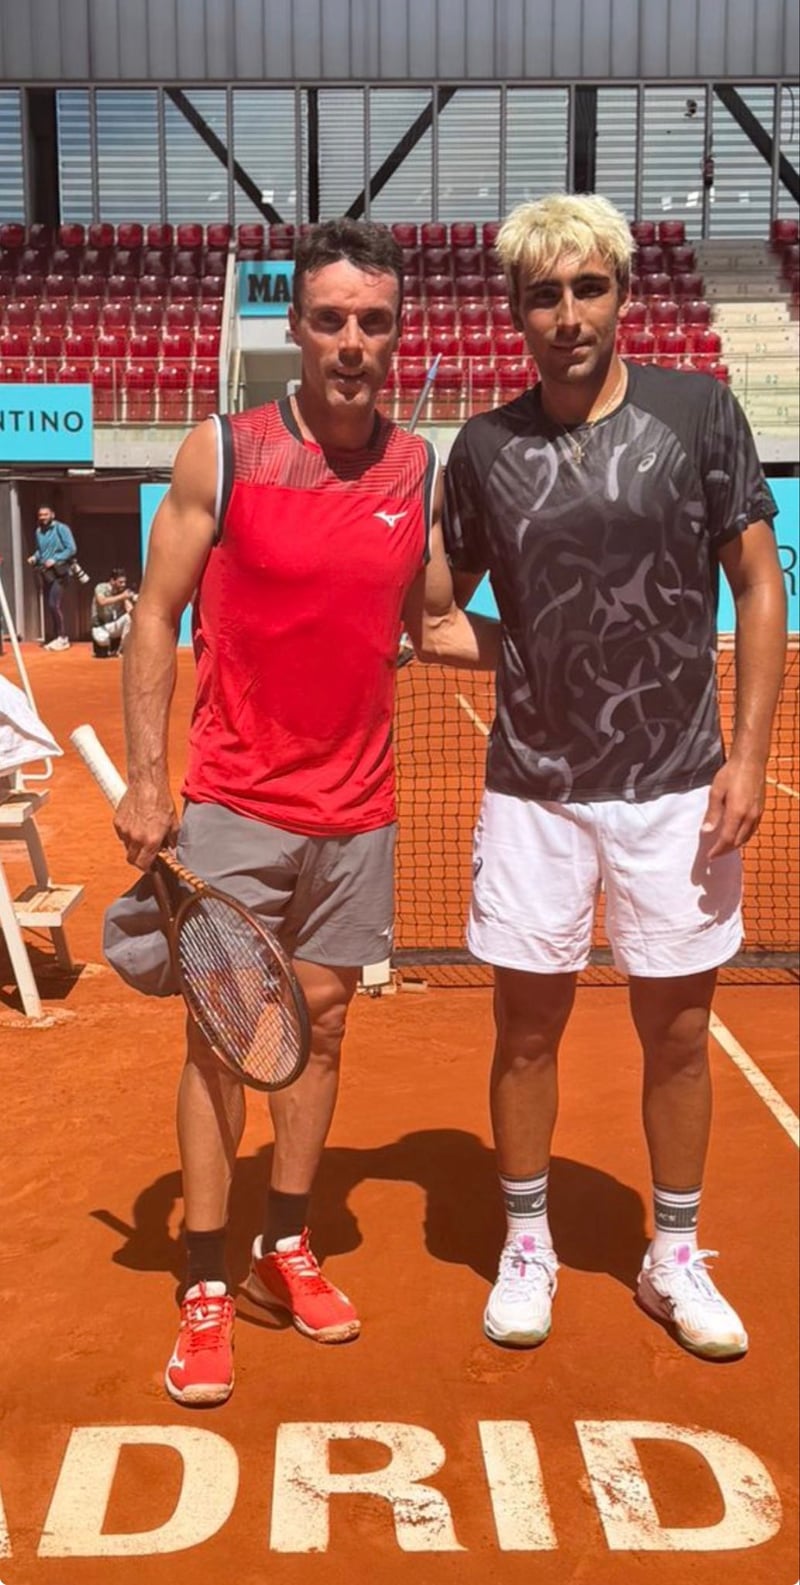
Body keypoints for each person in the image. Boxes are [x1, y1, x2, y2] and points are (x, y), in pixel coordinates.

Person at [108, 217, 495, 1408]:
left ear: (398, 333)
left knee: (320, 1032)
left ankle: (286, 1238)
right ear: (296, 327)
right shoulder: (222, 451)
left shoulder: (414, 468)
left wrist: (569, 651)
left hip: (359, 813)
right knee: (223, 1041)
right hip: (234, 801)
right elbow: (153, 614)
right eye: (329, 319)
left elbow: (433, 620)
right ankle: (206, 1278)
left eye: (372, 321)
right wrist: (146, 776)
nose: (351, 342)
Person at [427, 193, 786, 1360]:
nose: (567, 315)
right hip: (531, 790)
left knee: (676, 1032)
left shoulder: (697, 412)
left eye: (587, 288)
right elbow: (434, 616)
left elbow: (757, 584)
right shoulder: (483, 450)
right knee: (525, 1030)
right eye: (543, 295)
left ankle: (670, 1255)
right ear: (514, 312)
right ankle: (525, 1240)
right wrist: (526, 651)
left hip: (678, 784)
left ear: (622, 295)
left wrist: (748, 756)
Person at [27, 504, 80, 650]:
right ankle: (56, 637)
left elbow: (71, 549)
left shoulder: (62, 528)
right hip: (46, 572)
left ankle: (62, 637)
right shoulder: (38, 531)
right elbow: (40, 551)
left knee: (53, 604)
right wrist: (34, 557)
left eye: (45, 514)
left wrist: (55, 559)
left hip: (60, 571)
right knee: (50, 606)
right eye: (40, 515)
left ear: (52, 515)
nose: (43, 517)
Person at [91, 567, 136, 656]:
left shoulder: (122, 592)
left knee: (129, 618)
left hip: (114, 626)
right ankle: (104, 646)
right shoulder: (101, 587)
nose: (123, 585)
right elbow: (102, 601)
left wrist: (129, 600)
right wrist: (122, 596)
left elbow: (130, 610)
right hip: (100, 626)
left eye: (124, 582)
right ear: (112, 581)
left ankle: (122, 649)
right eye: (120, 582)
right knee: (102, 652)